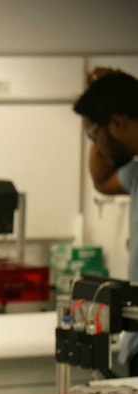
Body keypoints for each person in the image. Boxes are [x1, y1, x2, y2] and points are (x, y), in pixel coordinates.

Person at [73, 68, 138, 374]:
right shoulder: (136, 172)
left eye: (94, 133)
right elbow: (102, 180)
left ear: (118, 123)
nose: (96, 146)